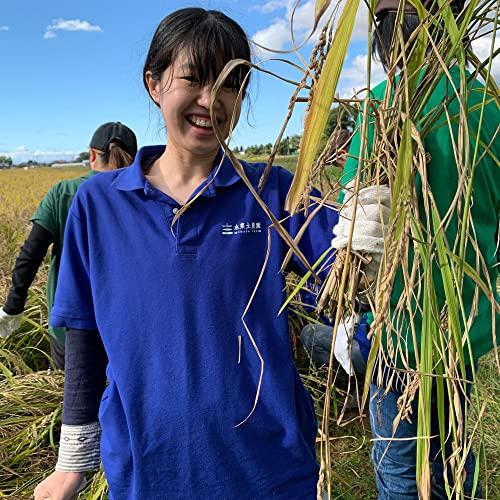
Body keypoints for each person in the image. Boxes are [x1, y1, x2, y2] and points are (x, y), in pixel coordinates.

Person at [33, 8, 388, 500]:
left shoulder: (273, 192)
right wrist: (73, 461)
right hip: (147, 471)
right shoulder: (98, 206)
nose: (211, 101)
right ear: (154, 83)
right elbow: (85, 336)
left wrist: (370, 236)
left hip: (269, 471)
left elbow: (353, 277)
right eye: (194, 79)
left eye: (229, 85)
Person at [338, 1, 499, 498]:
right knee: (454, 458)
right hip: (466, 332)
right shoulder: (486, 104)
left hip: (398, 338)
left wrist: (352, 302)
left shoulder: (384, 106)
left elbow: (355, 245)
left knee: (403, 472)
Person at [0, 122, 137, 369]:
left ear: (92, 154)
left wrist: (13, 307)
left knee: (74, 399)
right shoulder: (143, 195)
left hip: (70, 327)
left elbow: (31, 255)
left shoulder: (64, 192)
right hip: (128, 327)